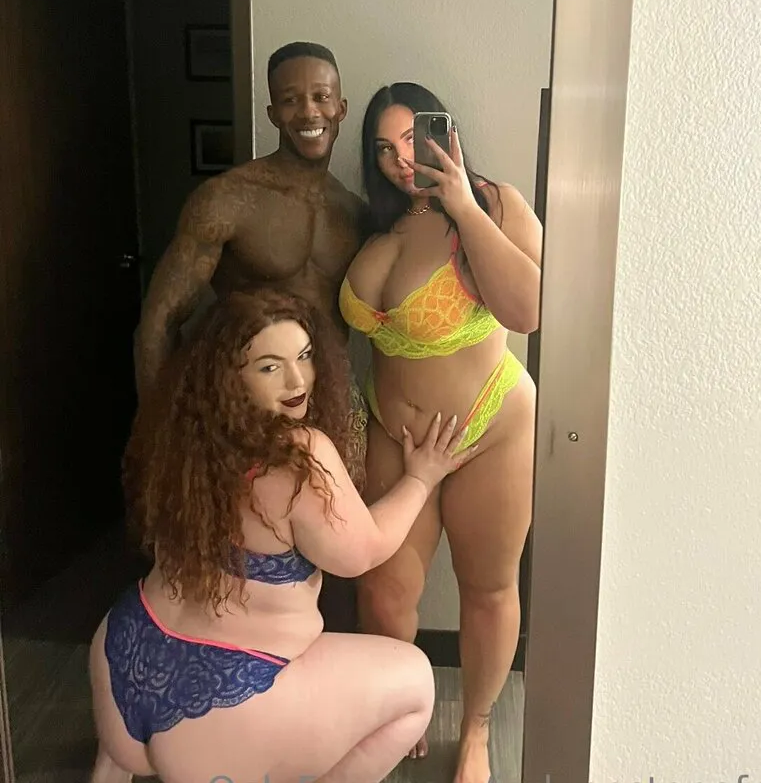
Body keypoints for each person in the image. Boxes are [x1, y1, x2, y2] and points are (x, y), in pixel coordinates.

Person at [90, 287, 479, 783]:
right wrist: (421, 478)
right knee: (417, 683)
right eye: (269, 367)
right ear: (230, 377)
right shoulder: (300, 454)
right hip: (217, 714)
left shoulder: (185, 441)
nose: (298, 380)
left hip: (122, 663)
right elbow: (365, 551)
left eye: (305, 356)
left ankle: (114, 767)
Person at [339, 83, 542, 783]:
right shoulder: (374, 224)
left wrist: (462, 205)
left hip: (490, 428)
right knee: (382, 593)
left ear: (441, 134)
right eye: (382, 147)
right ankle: (402, 708)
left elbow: (529, 310)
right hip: (396, 436)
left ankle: (477, 727)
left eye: (411, 139)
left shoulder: (494, 202)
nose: (400, 159)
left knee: (487, 586)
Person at [133, 40, 368, 631]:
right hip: (243, 413)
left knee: (338, 564)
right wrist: (161, 437)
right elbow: (158, 322)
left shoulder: (357, 214)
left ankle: (326, 677)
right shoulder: (229, 198)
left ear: (341, 108)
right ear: (271, 112)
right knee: (233, 573)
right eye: (290, 100)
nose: (307, 111)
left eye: (321, 97)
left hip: (330, 406)